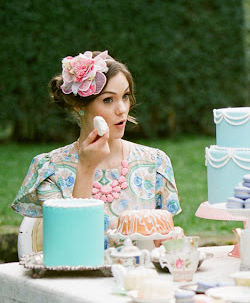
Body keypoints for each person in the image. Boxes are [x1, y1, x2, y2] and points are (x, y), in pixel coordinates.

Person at [12, 50, 181, 233]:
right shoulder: (50, 170)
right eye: (108, 100)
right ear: (79, 105)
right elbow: (70, 238)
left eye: (125, 96)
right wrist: (86, 168)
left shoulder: (155, 163)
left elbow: (163, 239)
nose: (122, 109)